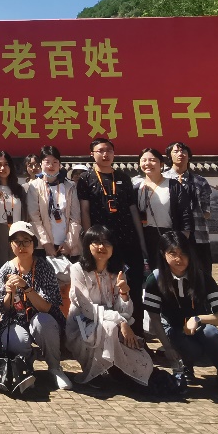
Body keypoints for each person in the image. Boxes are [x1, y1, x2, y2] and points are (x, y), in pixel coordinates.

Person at [142, 230, 218, 390]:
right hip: (173, 329)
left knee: (212, 333)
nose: (179, 259)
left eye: (183, 253)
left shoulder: (202, 278)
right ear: (163, 254)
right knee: (179, 338)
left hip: (200, 328)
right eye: (173, 254)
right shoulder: (155, 280)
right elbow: (155, 318)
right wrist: (167, 347)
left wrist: (198, 319)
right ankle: (186, 367)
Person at [65, 226, 156, 389]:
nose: (102, 247)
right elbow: (88, 310)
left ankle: (115, 369)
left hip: (113, 326)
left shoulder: (117, 271)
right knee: (109, 326)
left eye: (107, 243)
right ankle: (94, 373)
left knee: (146, 365)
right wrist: (120, 321)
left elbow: (126, 312)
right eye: (96, 242)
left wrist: (124, 293)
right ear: (87, 245)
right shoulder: (78, 270)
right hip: (82, 328)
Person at [77, 138, 147, 326]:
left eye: (109, 150)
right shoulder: (86, 179)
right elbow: (84, 210)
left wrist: (141, 241)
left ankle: (137, 331)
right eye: (100, 151)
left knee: (132, 285)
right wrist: (89, 241)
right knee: (107, 288)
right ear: (92, 154)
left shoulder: (123, 177)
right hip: (102, 243)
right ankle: (112, 330)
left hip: (127, 239)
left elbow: (133, 210)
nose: (105, 154)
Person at [0, 221, 72, 389]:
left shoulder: (45, 267)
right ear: (11, 245)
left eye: (26, 241)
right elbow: (4, 309)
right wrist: (9, 293)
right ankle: (24, 368)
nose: (22, 246)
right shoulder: (6, 269)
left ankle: (54, 368)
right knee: (16, 341)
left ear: (34, 244)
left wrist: (26, 287)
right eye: (17, 242)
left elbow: (47, 307)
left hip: (42, 318)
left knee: (43, 322)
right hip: (16, 320)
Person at [25, 145, 81, 277]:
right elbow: (34, 218)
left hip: (68, 247)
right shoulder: (34, 186)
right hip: (44, 247)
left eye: (55, 162)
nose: (51, 165)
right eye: (47, 162)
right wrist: (46, 243)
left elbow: (75, 218)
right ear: (41, 164)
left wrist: (69, 243)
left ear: (59, 164)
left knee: (70, 283)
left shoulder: (69, 186)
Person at [134, 147, 193, 267]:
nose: (147, 163)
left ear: (161, 164)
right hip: (144, 236)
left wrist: (182, 239)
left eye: (152, 160)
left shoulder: (173, 185)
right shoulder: (137, 188)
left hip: (169, 235)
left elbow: (185, 213)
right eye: (143, 160)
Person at [165, 142, 214, 274]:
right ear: (169, 156)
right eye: (176, 151)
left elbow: (207, 211)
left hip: (198, 234)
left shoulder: (200, 181)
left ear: (189, 156)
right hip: (171, 233)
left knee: (202, 272)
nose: (180, 154)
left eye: (184, 151)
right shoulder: (163, 179)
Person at [0, 150, 25, 270]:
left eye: (6, 164)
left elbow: (25, 214)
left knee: (18, 269)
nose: (3, 168)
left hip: (18, 233)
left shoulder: (19, 189)